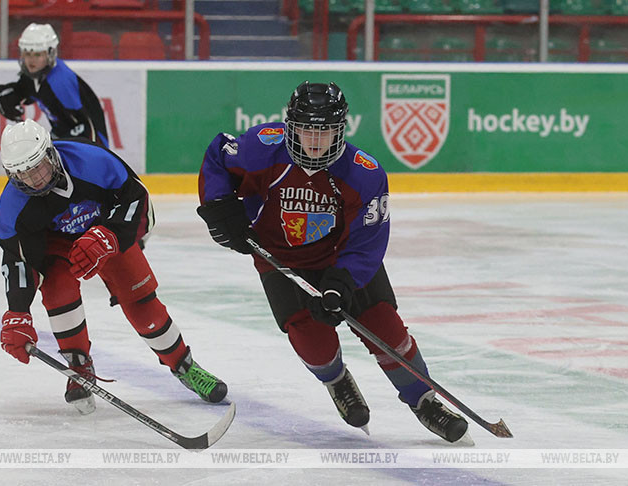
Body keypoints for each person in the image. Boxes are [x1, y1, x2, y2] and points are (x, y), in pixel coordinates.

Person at [196, 81, 469, 443]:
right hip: (282, 262)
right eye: (307, 130)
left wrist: (342, 282)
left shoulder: (364, 172)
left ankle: (424, 401)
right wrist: (219, 207)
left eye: (324, 132)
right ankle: (337, 381)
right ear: (290, 126)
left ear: (341, 131)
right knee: (312, 341)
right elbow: (218, 154)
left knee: (386, 329)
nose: (314, 141)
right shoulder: (262, 147)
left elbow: (368, 241)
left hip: (342, 261)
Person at [0, 118, 226, 414]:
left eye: (37, 166)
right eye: (23, 174)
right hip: (58, 246)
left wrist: (110, 235)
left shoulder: (92, 161)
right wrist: (17, 311)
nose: (35, 179)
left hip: (106, 232)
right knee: (58, 291)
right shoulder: (13, 208)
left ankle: (185, 366)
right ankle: (79, 367)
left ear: (51, 154)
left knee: (141, 302)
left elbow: (140, 205)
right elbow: (19, 260)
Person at [0, 23, 109, 147]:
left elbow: (86, 126)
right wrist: (8, 98)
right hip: (63, 133)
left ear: (50, 54)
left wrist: (92, 154)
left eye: (37, 54)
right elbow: (25, 91)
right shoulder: (35, 74)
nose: (31, 60)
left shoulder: (60, 82)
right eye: (27, 54)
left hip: (91, 143)